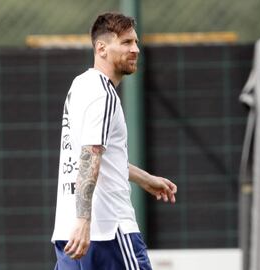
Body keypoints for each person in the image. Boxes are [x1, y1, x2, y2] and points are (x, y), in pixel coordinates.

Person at [52, 12, 177, 270]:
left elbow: (98, 156)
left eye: (136, 42)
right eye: (127, 43)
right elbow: (90, 155)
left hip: (69, 231)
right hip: (107, 231)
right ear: (102, 48)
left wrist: (145, 179)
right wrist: (85, 220)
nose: (136, 50)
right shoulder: (104, 94)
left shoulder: (80, 85)